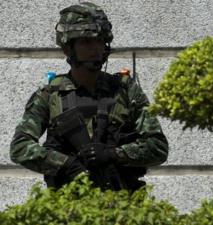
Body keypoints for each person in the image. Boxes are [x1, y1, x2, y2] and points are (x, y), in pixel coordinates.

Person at [9, 2, 168, 191]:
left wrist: (115, 154)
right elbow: (20, 147)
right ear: (68, 48)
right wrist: (65, 164)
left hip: (125, 207)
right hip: (67, 207)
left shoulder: (125, 91)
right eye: (86, 42)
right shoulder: (50, 95)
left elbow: (158, 147)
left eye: (100, 41)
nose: (95, 49)